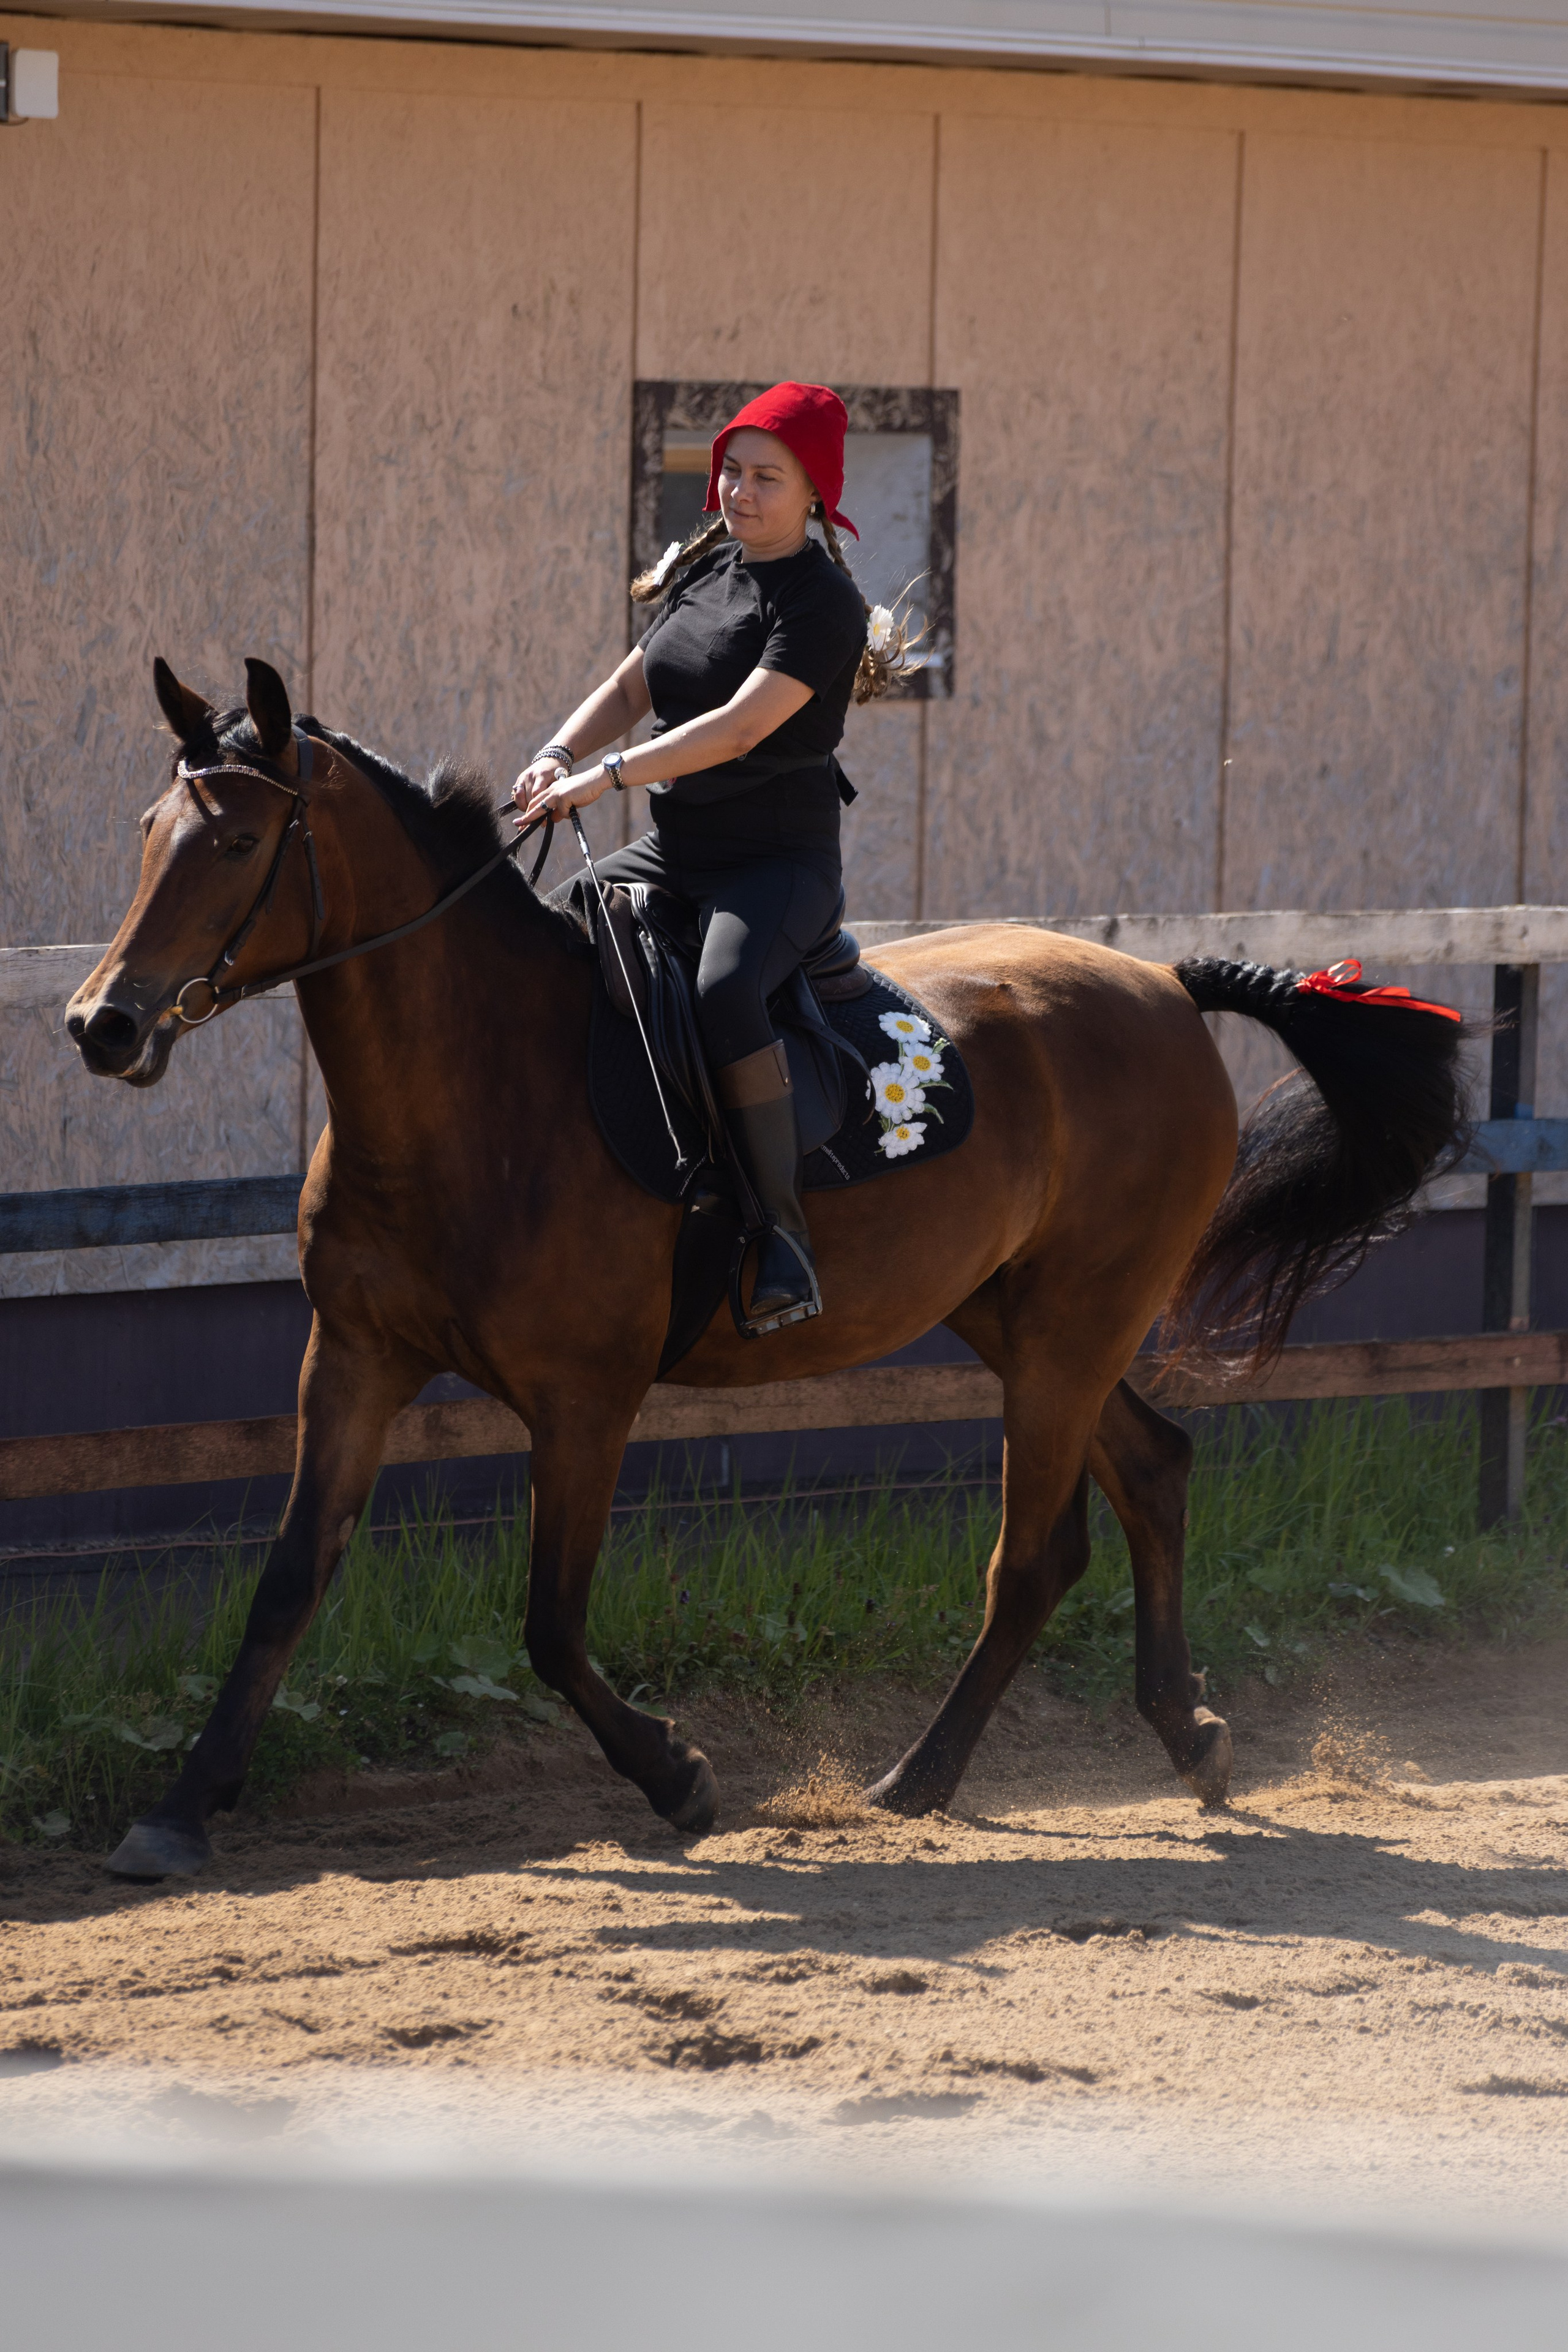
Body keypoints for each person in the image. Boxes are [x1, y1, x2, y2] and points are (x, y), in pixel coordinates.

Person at [513, 380, 911, 1334]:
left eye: (765, 477)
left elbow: (737, 730)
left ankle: (782, 1235)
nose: (739, 491)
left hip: (778, 867)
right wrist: (558, 752)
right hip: (679, 850)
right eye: (731, 470)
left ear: (816, 493)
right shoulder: (709, 572)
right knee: (559, 928)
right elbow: (630, 684)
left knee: (724, 988)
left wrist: (604, 777)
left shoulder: (824, 603)